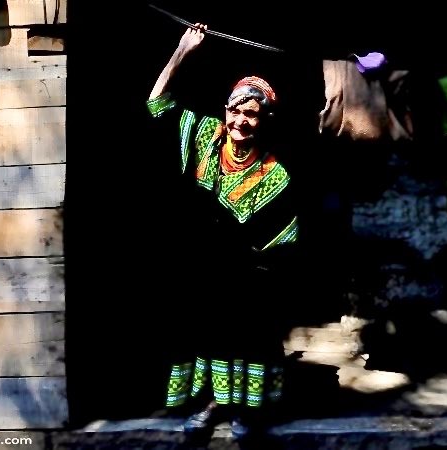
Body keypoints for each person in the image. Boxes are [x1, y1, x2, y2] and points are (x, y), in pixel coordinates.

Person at [146, 23, 299, 439]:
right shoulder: (205, 136)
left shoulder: (274, 173)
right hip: (201, 267)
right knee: (204, 337)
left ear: (264, 120)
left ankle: (245, 412)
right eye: (235, 111)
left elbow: (284, 237)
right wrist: (183, 50)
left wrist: (261, 274)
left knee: (247, 338)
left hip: (248, 278)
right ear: (226, 110)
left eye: (251, 114)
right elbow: (157, 104)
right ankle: (211, 405)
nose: (240, 121)